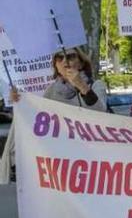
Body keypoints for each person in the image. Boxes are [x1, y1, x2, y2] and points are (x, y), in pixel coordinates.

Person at [1, 47, 108, 183]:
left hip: (92, 160)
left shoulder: (97, 85)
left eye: (70, 57)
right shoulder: (51, 92)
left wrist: (82, 87)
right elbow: (38, 122)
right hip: (62, 163)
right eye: (60, 58)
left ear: (80, 63)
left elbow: (101, 114)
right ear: (56, 66)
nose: (65, 61)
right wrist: (20, 101)